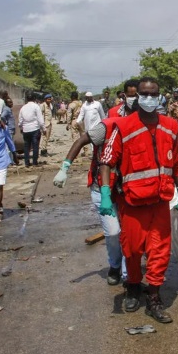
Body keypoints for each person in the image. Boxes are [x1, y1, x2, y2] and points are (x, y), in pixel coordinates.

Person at [98, 77, 178, 324]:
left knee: (160, 251)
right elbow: (106, 161)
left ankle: (154, 297)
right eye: (143, 94)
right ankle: (133, 286)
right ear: (135, 97)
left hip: (160, 201)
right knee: (132, 250)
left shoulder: (170, 126)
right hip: (133, 203)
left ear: (160, 97)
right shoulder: (122, 128)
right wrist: (105, 193)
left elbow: (175, 161)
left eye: (152, 94)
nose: (147, 98)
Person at [53, 115, 127, 286]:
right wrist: (65, 167)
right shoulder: (106, 127)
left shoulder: (139, 126)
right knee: (113, 231)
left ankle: (128, 276)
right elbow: (81, 141)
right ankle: (115, 266)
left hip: (125, 190)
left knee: (129, 233)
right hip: (101, 188)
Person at [18, 92, 45, 167]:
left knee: (26, 146)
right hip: (35, 129)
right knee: (35, 146)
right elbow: (40, 119)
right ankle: (34, 162)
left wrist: (21, 127)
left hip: (26, 130)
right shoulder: (36, 107)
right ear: (34, 99)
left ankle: (27, 163)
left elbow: (20, 120)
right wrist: (44, 128)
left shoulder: (23, 108)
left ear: (27, 99)